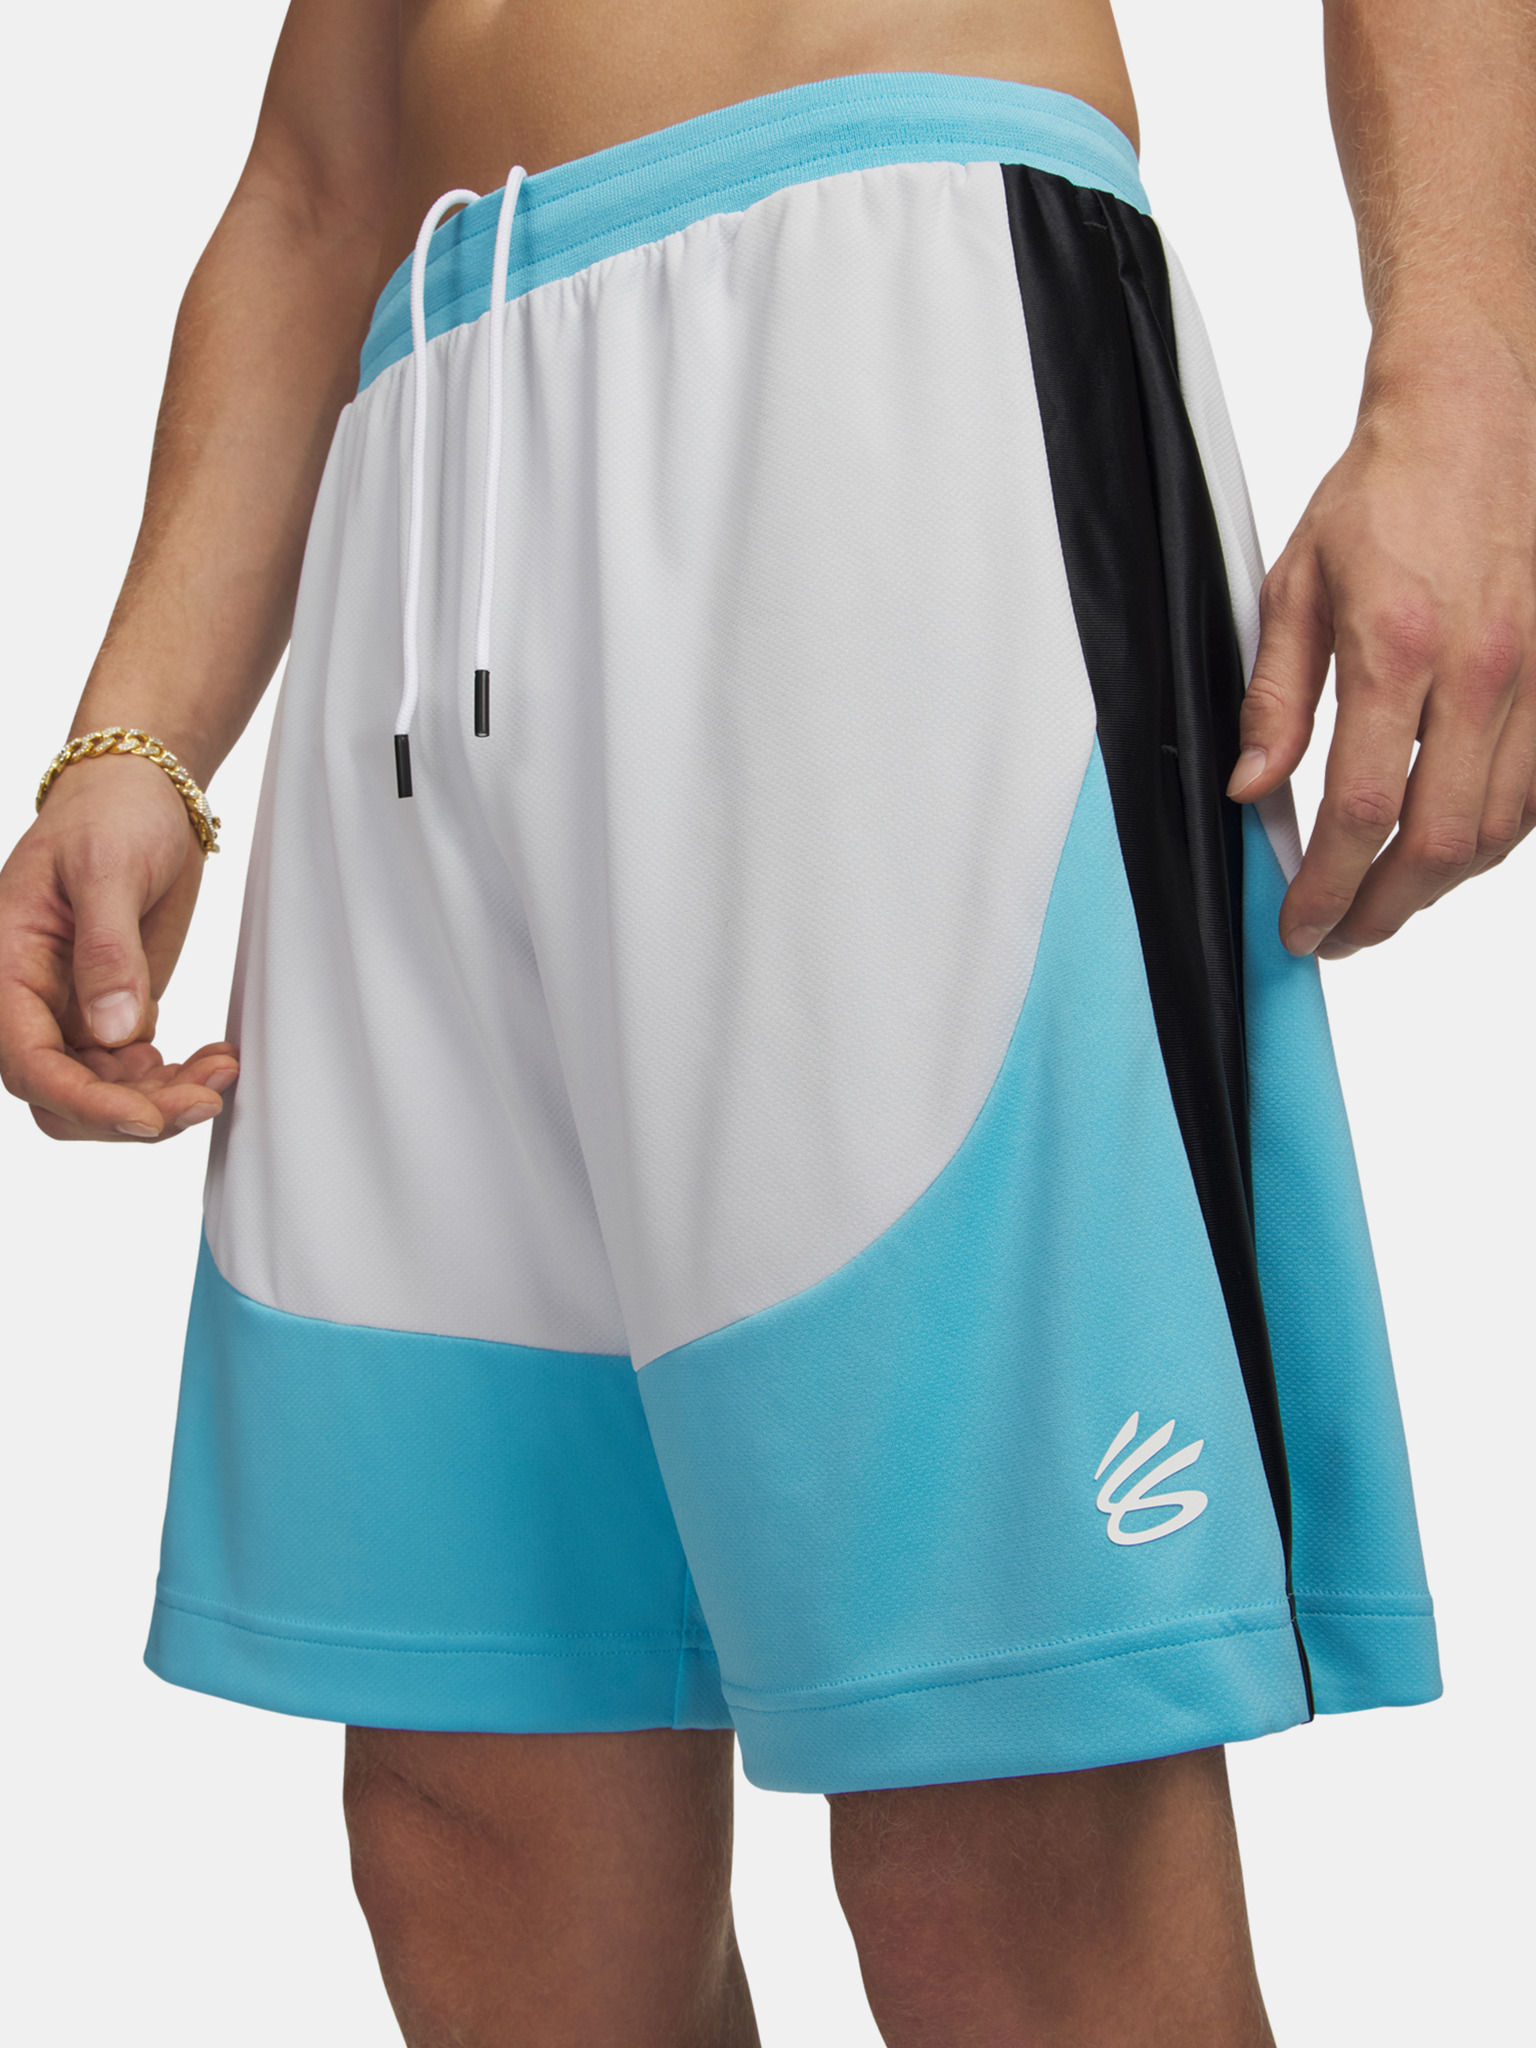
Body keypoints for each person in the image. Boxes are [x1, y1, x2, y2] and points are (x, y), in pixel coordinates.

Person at [1, 0, 1530, 2040]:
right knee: (484, 1834)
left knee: (1001, 1822)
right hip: (427, 466)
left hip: (882, 332)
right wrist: (135, 736)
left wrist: (1467, 385)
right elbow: (315, 181)